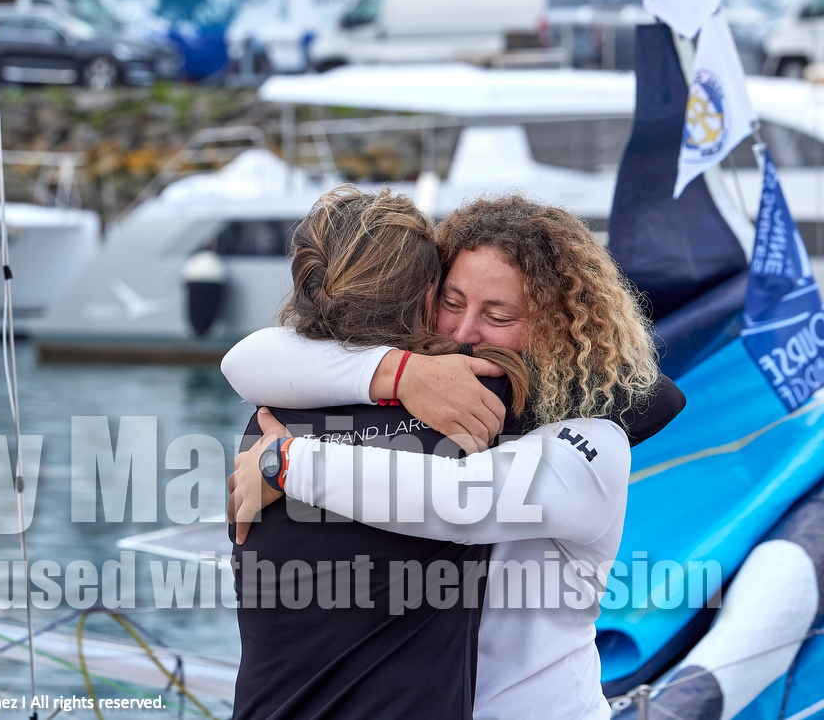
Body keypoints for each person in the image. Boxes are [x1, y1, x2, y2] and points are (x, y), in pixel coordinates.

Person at [228, 193, 677, 720]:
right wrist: (401, 372)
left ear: (557, 324)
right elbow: (247, 358)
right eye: (453, 301)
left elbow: (461, 499)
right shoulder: (426, 394)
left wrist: (287, 462)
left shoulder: (595, 442)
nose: (464, 333)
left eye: (498, 314)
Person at [223, 186, 533, 720]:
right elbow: (656, 399)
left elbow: (244, 359)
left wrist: (396, 372)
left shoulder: (269, 421)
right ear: (426, 295)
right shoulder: (482, 404)